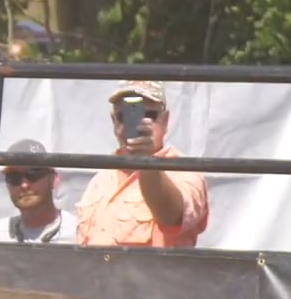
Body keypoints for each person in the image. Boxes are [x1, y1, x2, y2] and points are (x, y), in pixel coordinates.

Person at [74, 80, 210, 248]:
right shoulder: (100, 180)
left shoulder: (184, 171)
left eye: (149, 115)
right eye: (125, 116)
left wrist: (146, 161)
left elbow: (170, 215)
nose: (139, 123)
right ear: (114, 121)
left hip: (151, 274)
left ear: (165, 121)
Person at [0, 138, 67, 244]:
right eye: (14, 177)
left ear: (54, 179)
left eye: (34, 174)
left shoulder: (80, 233)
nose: (24, 185)